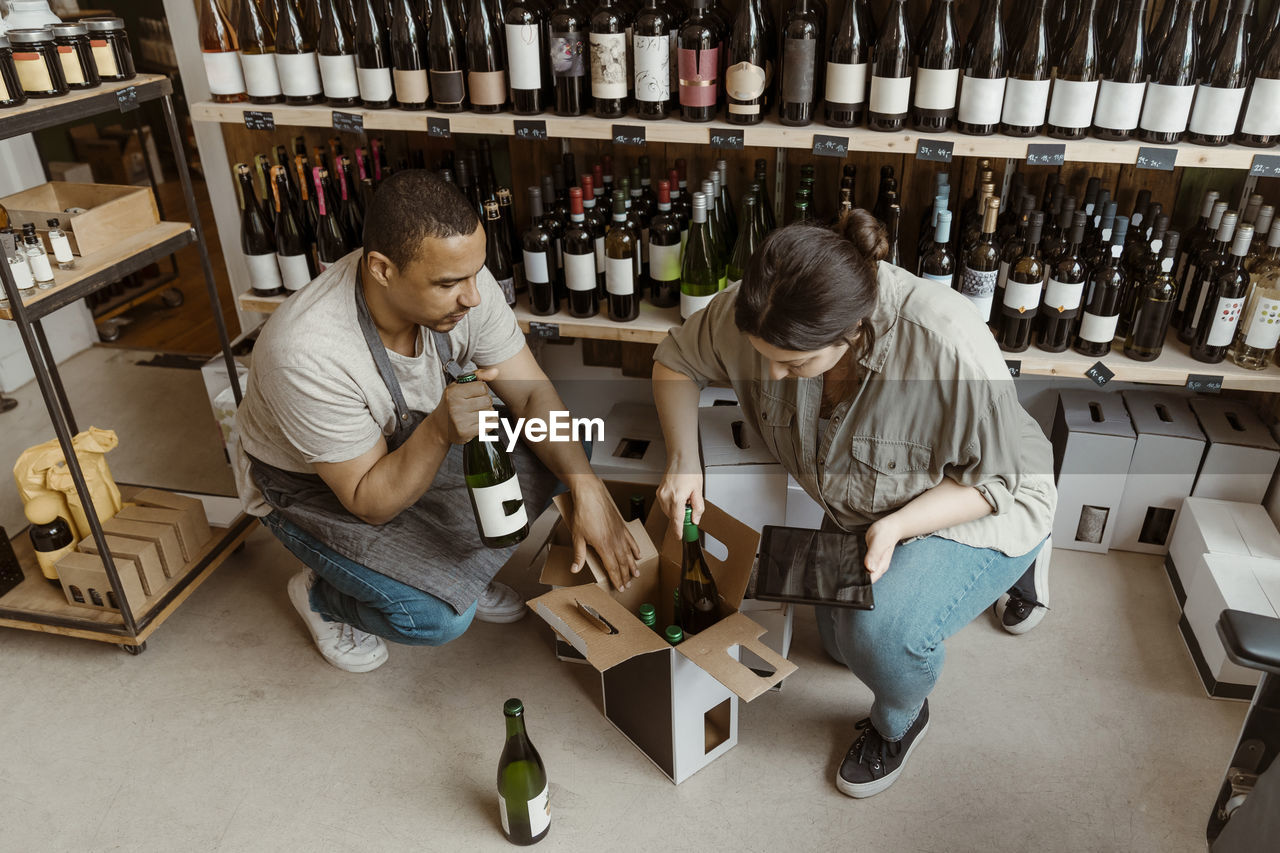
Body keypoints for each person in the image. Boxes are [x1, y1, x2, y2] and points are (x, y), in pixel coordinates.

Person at [652, 210, 1056, 798]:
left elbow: (993, 482)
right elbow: (675, 360)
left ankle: (901, 721)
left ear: (855, 331)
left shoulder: (948, 343)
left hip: (981, 496)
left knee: (880, 638)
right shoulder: (762, 307)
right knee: (838, 649)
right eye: (763, 356)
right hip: (862, 504)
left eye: (793, 364)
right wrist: (682, 459)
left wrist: (895, 529)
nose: (772, 375)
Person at [231, 169, 639, 673]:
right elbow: (369, 501)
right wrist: (442, 429)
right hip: (319, 483)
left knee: (568, 449)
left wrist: (591, 491)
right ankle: (322, 595)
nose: (473, 297)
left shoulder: (465, 278)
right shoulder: (308, 352)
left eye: (474, 274)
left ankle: (453, 571)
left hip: (419, 438)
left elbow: (533, 399)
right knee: (433, 619)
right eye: (449, 284)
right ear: (382, 269)